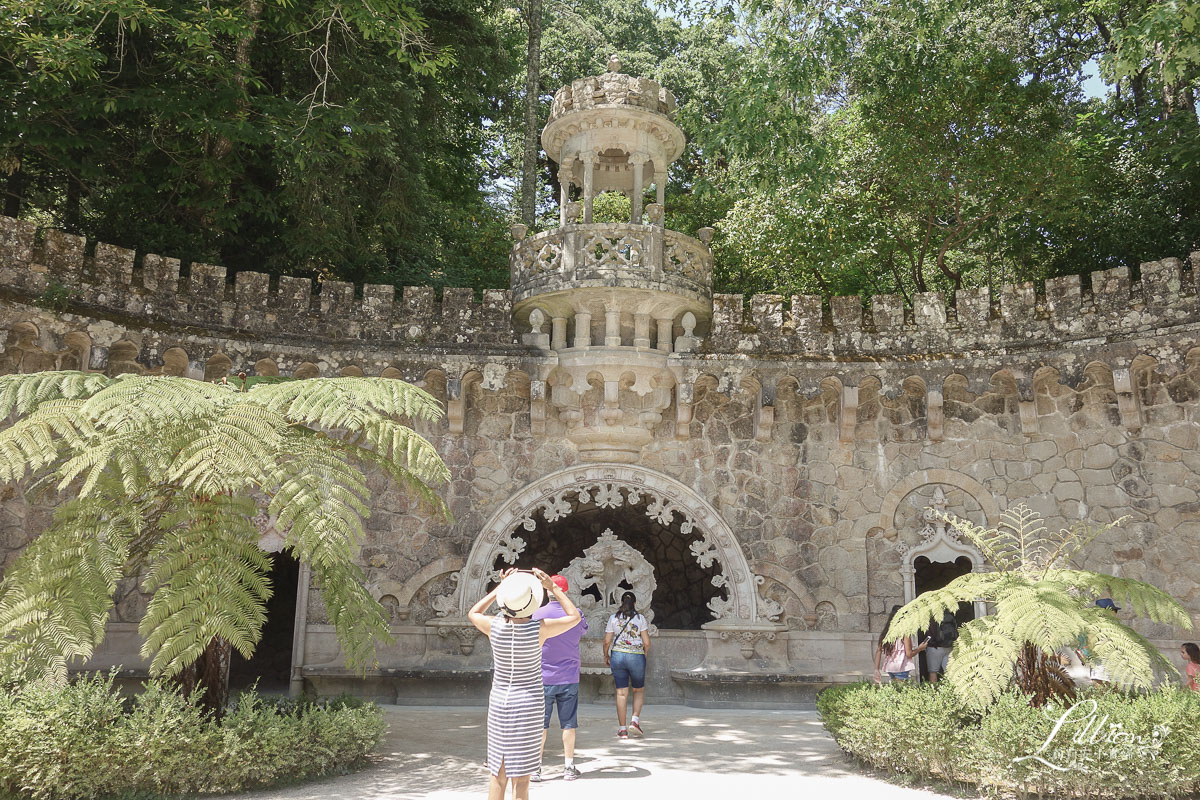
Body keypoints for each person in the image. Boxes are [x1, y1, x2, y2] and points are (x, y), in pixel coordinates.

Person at [468, 568, 582, 800]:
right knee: (521, 779)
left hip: (500, 703)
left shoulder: (494, 627)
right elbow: (575, 617)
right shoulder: (539, 630)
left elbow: (473, 612)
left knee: (498, 774)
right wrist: (554, 588)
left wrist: (501, 588)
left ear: (505, 603)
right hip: (529, 705)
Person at [530, 574, 588, 782]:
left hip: (542, 677)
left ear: (547, 591)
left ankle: (536, 768)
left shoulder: (537, 614)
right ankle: (568, 767)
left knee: (540, 725)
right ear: (567, 590)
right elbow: (582, 632)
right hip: (569, 677)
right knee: (569, 723)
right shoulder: (576, 614)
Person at [603, 591, 650, 739]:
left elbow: (606, 641)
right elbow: (647, 642)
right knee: (638, 690)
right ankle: (634, 721)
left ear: (621, 603)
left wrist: (606, 655)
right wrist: (644, 652)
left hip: (618, 656)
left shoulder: (613, 618)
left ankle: (622, 730)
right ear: (635, 604)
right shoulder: (640, 618)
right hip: (636, 656)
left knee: (621, 693)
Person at [873, 604, 927, 684]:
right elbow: (909, 654)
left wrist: (876, 669)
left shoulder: (886, 633)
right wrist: (920, 648)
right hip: (901, 667)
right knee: (901, 691)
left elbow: (879, 651)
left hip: (890, 668)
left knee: (895, 690)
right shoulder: (904, 633)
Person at [1077, 598, 1119, 686]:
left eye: (1115, 611)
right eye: (1114, 611)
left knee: (1115, 694)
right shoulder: (1093, 627)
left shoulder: (1115, 627)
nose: (1115, 614)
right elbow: (1084, 642)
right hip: (1099, 667)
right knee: (1100, 692)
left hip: (1114, 668)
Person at [924, 609, 958, 684]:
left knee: (933, 672)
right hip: (949, 646)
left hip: (935, 648)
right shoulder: (949, 614)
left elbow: (929, 632)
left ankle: (933, 693)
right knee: (949, 672)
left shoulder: (931, 615)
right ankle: (949, 691)